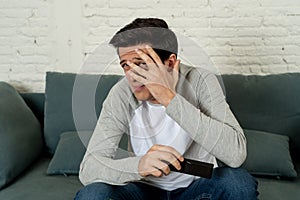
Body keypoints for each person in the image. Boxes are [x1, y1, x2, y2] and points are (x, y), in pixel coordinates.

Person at [74, 18, 258, 200]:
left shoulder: (200, 81)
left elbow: (235, 155)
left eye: (141, 63)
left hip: (196, 189)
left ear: (169, 63)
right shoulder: (122, 93)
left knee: (238, 184)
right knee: (93, 194)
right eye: (125, 66)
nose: (132, 76)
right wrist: (138, 166)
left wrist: (169, 98)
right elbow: (88, 169)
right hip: (142, 190)